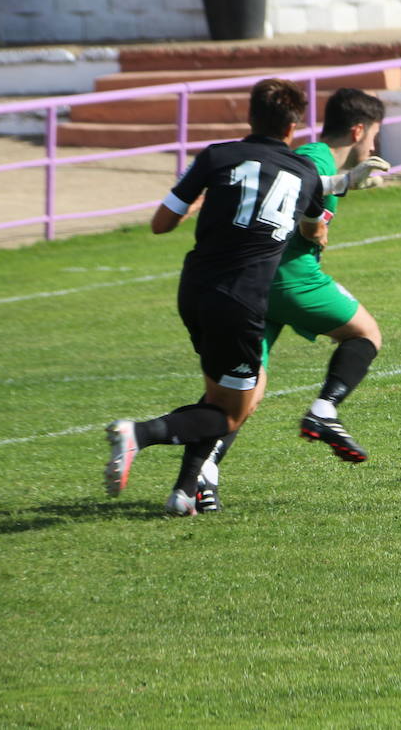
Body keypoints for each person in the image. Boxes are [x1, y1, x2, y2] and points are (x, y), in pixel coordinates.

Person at [103, 78, 329, 517]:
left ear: (250, 118)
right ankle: (140, 434)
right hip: (241, 299)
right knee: (234, 412)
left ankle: (185, 492)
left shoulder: (216, 156)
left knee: (220, 394)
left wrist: (206, 201)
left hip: (194, 290)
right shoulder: (305, 173)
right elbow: (314, 228)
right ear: (293, 128)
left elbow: (160, 224)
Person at [185, 88, 391, 513]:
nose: (373, 146)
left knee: (246, 393)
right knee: (366, 333)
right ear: (357, 130)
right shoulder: (317, 159)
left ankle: (201, 478)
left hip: (256, 283)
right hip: (287, 278)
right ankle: (324, 411)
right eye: (373, 136)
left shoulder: (313, 156)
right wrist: (321, 223)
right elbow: (302, 205)